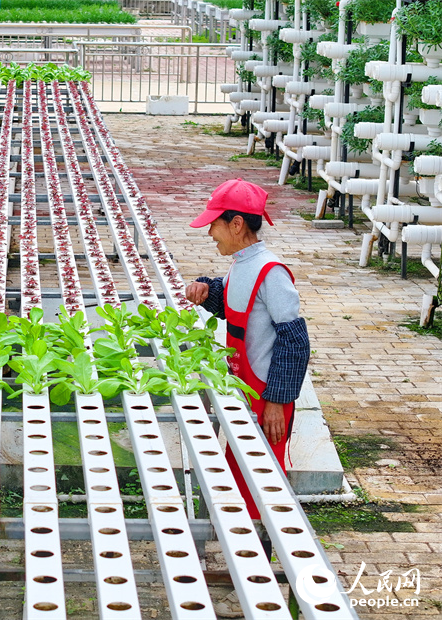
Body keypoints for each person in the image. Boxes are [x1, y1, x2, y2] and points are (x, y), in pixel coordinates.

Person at [185, 178, 310, 617]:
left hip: (266, 396)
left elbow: (295, 341)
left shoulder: (271, 272)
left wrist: (276, 401)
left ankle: (264, 573)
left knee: (264, 483)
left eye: (214, 225)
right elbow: (236, 303)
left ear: (237, 223)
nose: (209, 232)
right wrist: (205, 289)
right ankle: (252, 564)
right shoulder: (243, 263)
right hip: (244, 387)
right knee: (244, 477)